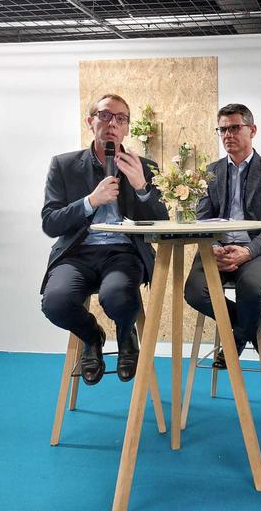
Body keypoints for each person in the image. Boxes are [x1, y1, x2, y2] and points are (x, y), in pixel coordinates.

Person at [40, 94, 168, 385]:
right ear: (91, 121)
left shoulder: (144, 166)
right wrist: (89, 201)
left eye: (121, 119)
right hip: (77, 254)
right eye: (105, 115)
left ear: (126, 128)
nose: (112, 123)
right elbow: (50, 222)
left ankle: (126, 335)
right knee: (55, 303)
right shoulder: (64, 165)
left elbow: (161, 223)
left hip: (123, 251)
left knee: (118, 297)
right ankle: (92, 336)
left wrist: (142, 187)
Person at [184, 103, 261, 369]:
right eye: (223, 129)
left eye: (234, 128)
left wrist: (248, 252)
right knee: (194, 293)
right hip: (217, 247)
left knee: (251, 290)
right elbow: (202, 218)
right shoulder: (210, 172)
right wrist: (214, 245)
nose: (228, 134)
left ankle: (236, 341)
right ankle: (250, 330)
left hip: (257, 248)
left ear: (252, 130)